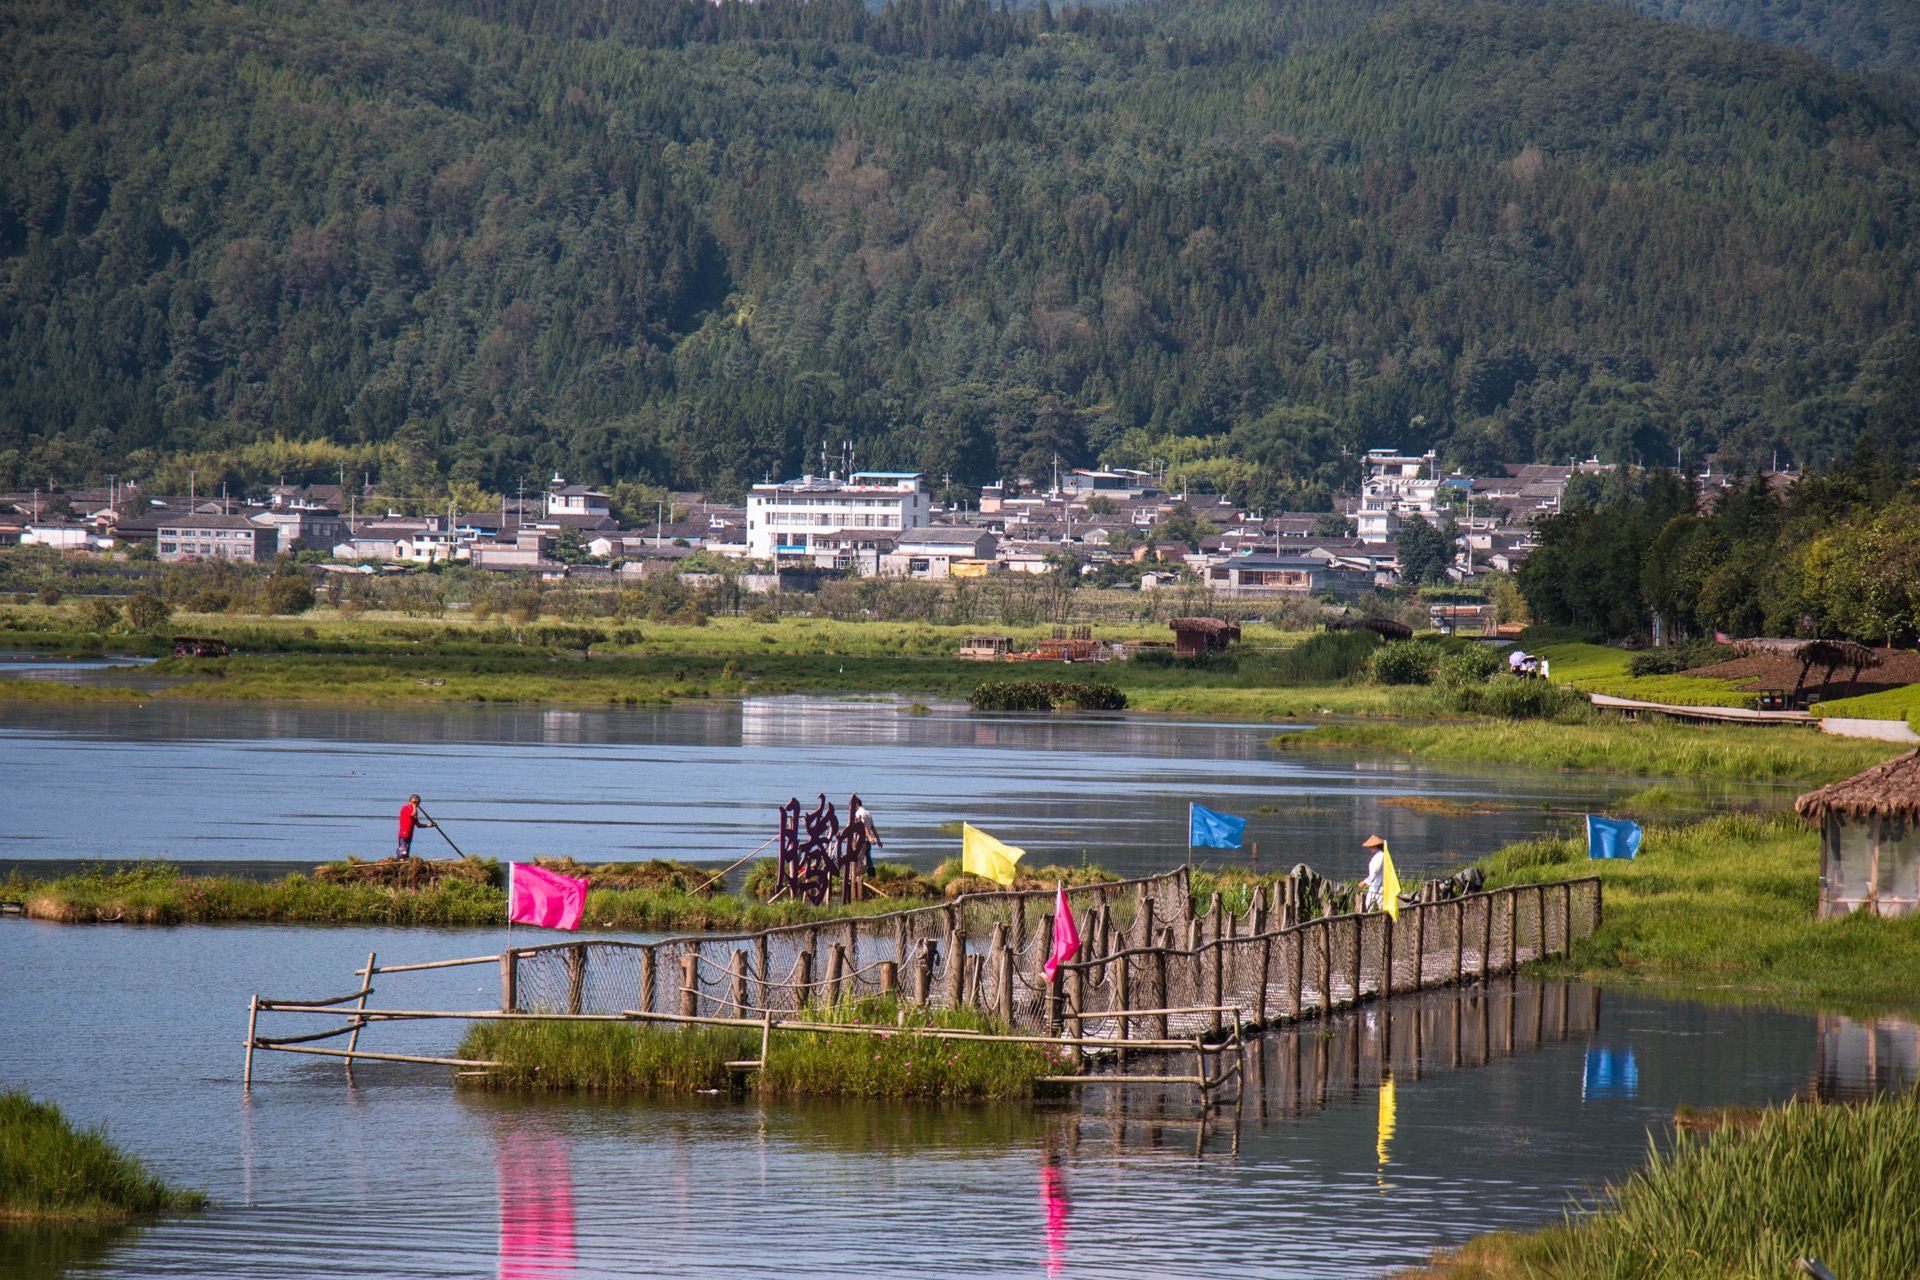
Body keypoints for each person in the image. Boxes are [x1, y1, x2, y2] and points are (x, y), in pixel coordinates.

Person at [396, 794, 435, 859]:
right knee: (403, 850)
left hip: (409, 834)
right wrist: (414, 806)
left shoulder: (413, 811)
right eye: (415, 802)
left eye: (418, 803)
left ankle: (404, 860)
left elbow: (418, 825)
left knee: (407, 850)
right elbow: (413, 814)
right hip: (404, 834)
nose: (417, 804)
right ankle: (400, 860)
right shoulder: (405, 808)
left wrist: (429, 825)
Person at [1360, 834, 1388, 912]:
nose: (1370, 848)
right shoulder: (1378, 855)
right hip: (1375, 884)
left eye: (1371, 846)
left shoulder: (1380, 856)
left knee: (1379, 904)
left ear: (1375, 846)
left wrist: (1364, 882)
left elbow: (1375, 872)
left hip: (1378, 885)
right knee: (1370, 904)